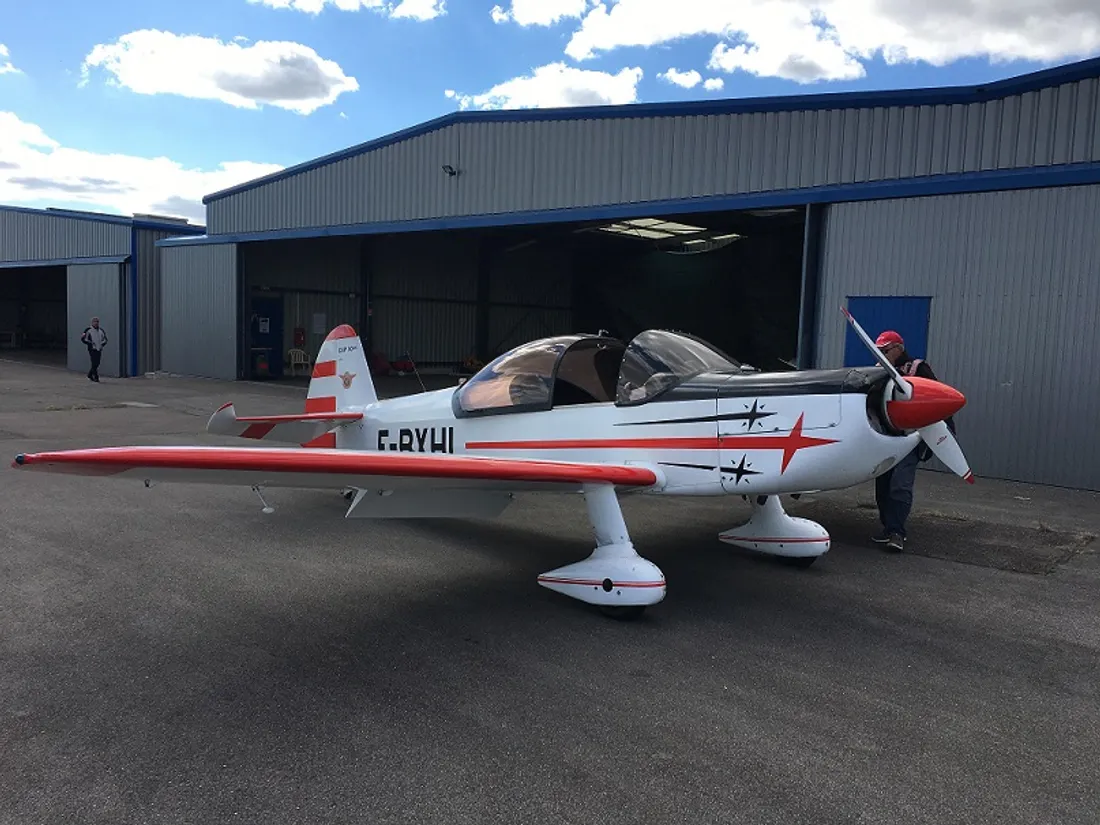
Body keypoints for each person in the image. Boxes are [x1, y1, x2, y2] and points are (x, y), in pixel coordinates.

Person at [871, 329, 955, 552]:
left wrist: (945, 430)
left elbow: (935, 397)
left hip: (910, 436)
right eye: (879, 351)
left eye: (885, 350)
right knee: (883, 486)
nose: (882, 355)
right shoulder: (879, 371)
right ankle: (888, 527)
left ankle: (897, 532)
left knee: (900, 484)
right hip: (886, 436)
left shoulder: (918, 368)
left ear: (898, 348)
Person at [80, 317, 108, 382]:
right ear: (92, 322)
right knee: (94, 363)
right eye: (94, 322)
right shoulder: (88, 330)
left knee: (97, 363)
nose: (96, 323)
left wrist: (102, 344)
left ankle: (90, 374)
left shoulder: (101, 330)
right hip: (92, 349)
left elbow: (105, 339)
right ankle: (96, 377)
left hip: (99, 349)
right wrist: (90, 343)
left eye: (97, 322)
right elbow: (83, 339)